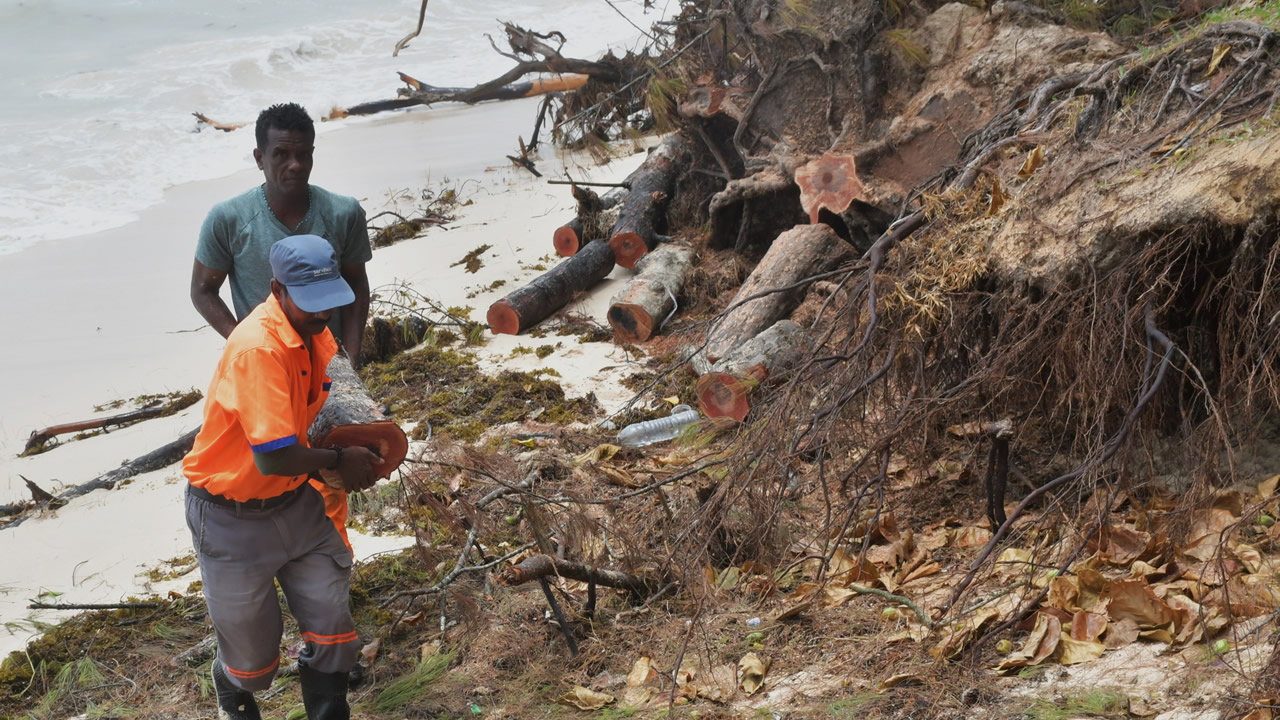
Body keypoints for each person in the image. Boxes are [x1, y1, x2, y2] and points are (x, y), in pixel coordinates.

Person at [183, 235, 380, 720]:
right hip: (232, 517)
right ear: (276, 289)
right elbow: (272, 458)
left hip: (296, 502)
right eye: (310, 305)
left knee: (335, 629)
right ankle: (230, 682)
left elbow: (321, 402)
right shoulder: (258, 350)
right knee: (254, 666)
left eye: (328, 304)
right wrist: (337, 459)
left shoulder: (315, 332)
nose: (321, 315)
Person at [190, 101, 372, 549]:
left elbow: (357, 285)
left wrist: (347, 362)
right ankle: (271, 558)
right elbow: (202, 290)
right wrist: (248, 347)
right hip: (265, 367)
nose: (294, 164)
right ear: (259, 158)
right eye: (281, 155)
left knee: (329, 474)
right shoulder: (229, 220)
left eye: (303, 154)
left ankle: (330, 569)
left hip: (324, 365)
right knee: (269, 466)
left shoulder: (342, 212)